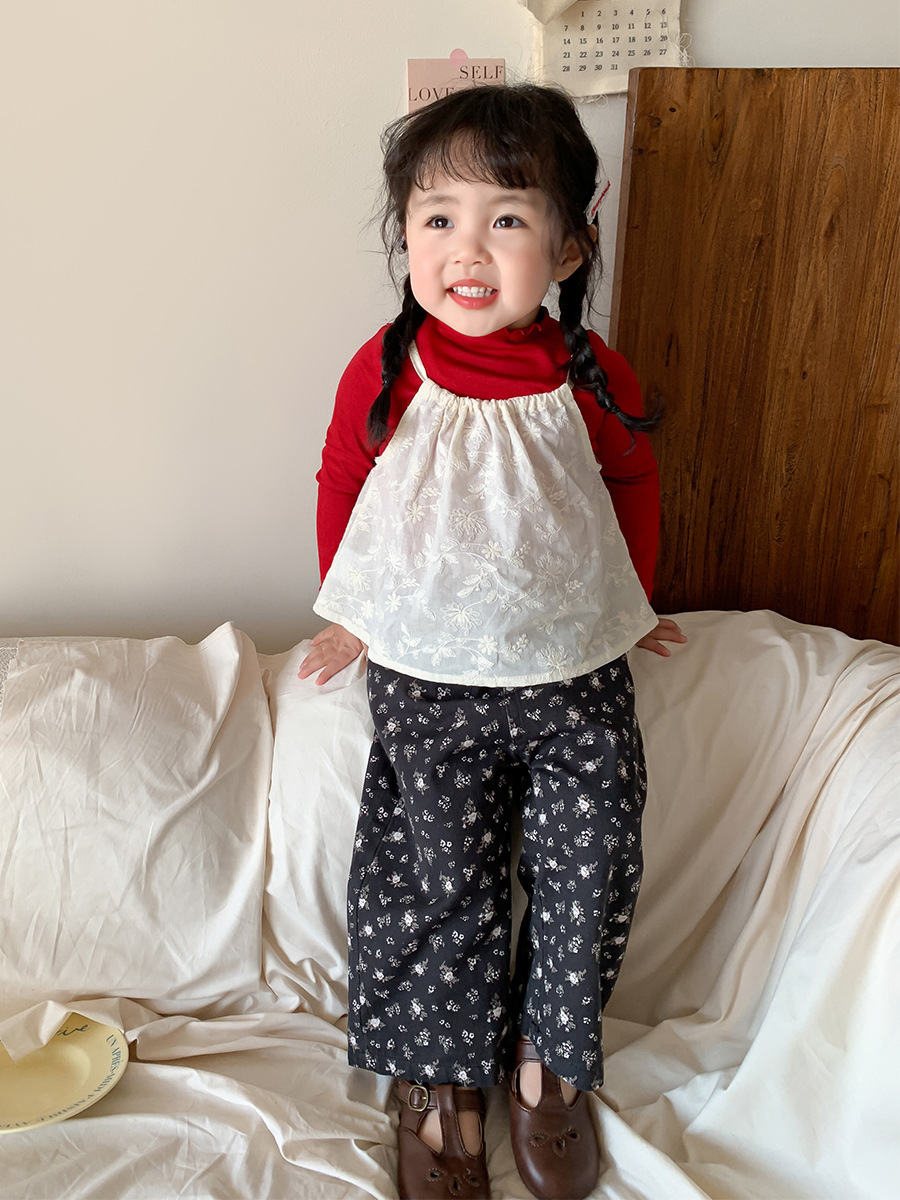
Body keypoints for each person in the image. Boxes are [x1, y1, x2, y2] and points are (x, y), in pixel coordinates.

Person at [299, 82, 686, 1200]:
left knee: (592, 856)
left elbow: (632, 482)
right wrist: (348, 609)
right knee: (438, 877)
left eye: (506, 218)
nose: (467, 248)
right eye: (439, 217)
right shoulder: (387, 371)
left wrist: (634, 600)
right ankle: (440, 1077)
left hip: (574, 673)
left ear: (568, 248)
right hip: (426, 676)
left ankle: (547, 1061)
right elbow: (344, 479)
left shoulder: (589, 375)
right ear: (406, 237)